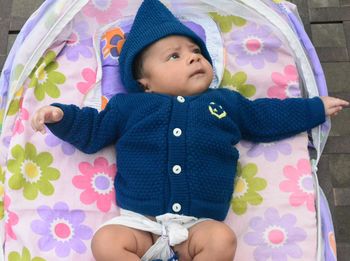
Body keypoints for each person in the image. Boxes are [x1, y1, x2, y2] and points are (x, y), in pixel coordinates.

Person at [31, 0, 349, 260]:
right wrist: (61, 117)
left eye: (196, 50)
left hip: (200, 226)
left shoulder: (224, 102)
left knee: (222, 240)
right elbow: (93, 129)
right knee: (106, 242)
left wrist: (314, 108)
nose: (194, 57)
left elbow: (265, 116)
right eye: (175, 56)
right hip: (141, 224)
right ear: (144, 82)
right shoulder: (129, 107)